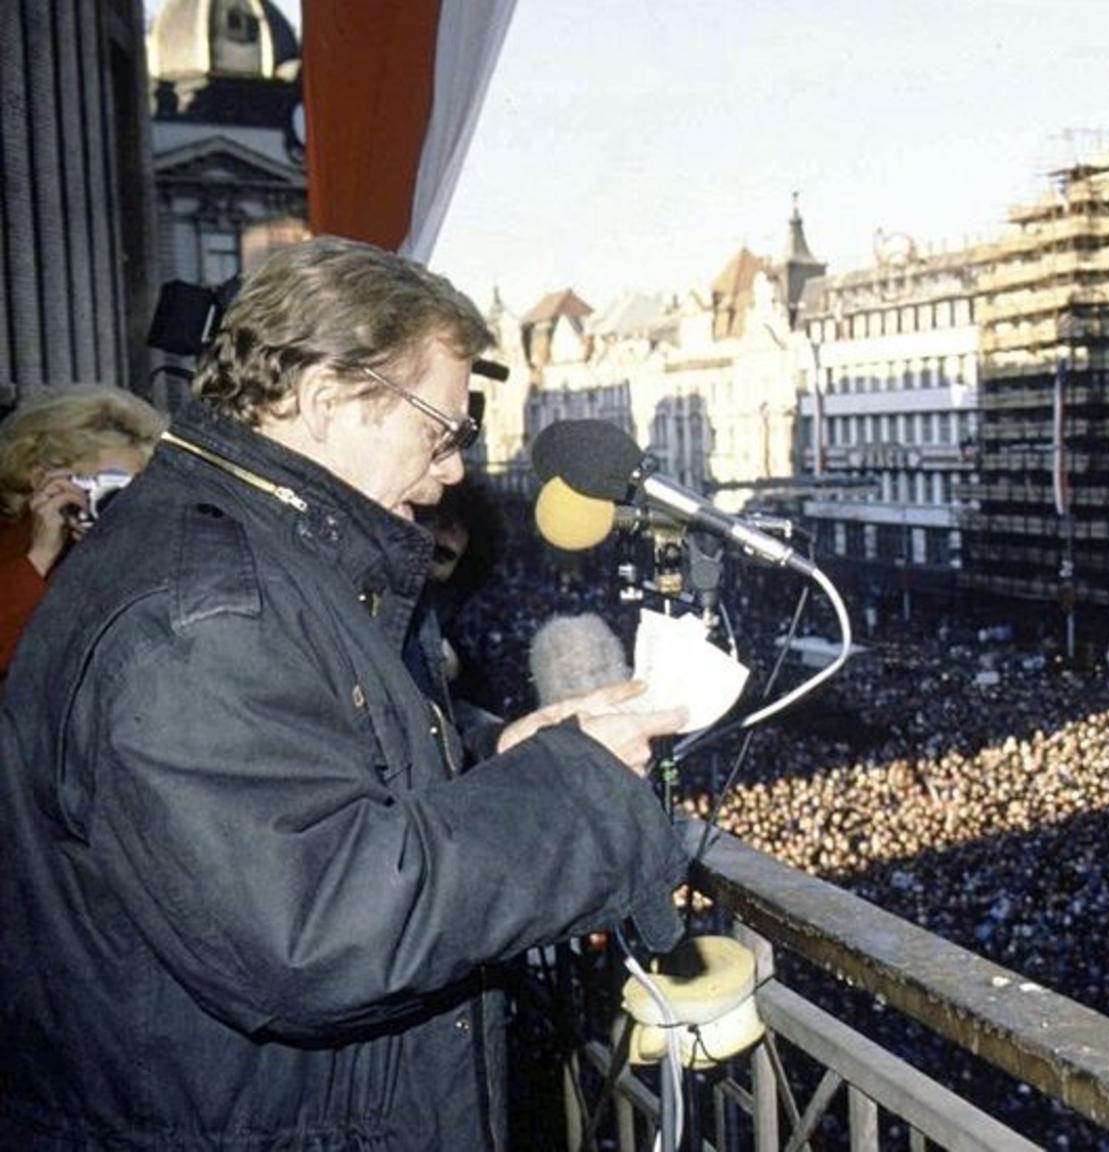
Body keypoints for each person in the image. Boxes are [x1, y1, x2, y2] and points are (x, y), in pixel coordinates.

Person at [0, 236, 691, 1150]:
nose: (454, 469)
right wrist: (572, 793)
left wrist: (499, 759)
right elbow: (322, 928)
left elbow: (318, 767)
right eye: (439, 430)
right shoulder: (200, 617)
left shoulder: (251, 556)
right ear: (324, 400)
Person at [0, 385, 167, 676]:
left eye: (129, 489)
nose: (113, 505)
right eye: (104, 485)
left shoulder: (154, 547)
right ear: (44, 479)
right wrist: (39, 556)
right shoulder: (16, 554)